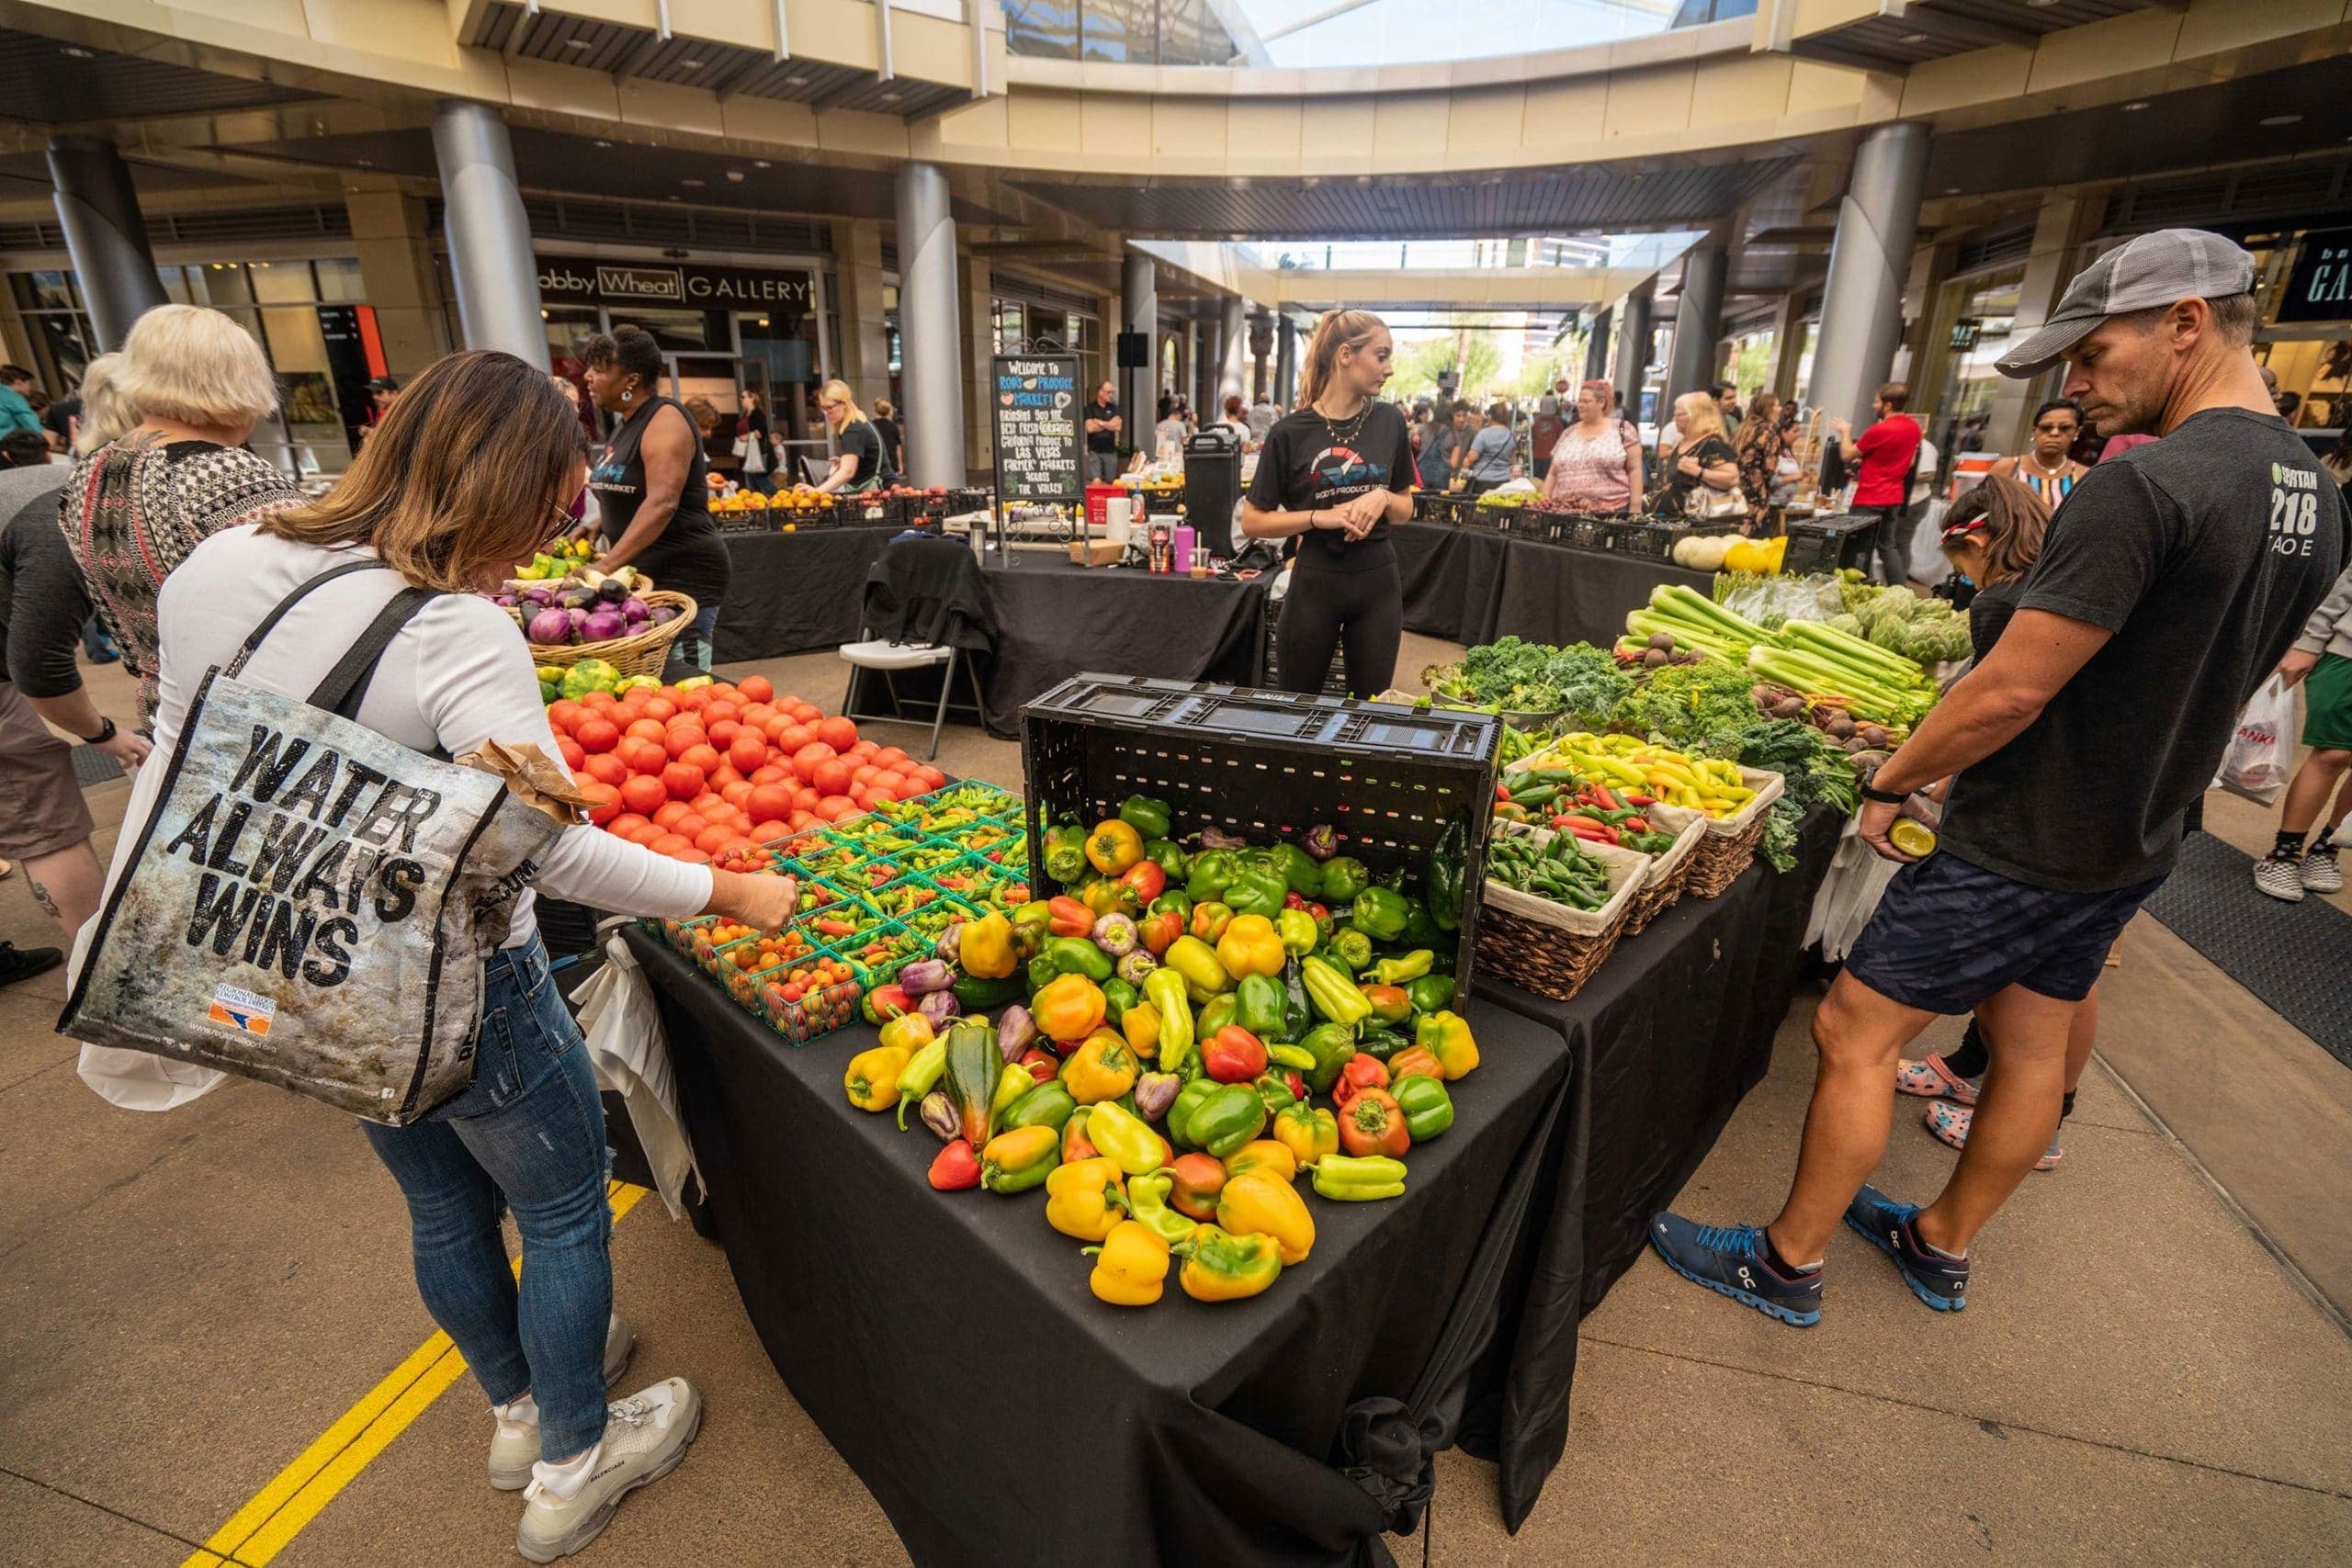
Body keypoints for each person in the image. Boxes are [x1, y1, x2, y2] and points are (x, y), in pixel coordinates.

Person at [106, 348, 797, 1562]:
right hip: (465, 976)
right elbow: (552, 856)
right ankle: (579, 1462)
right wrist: (731, 887)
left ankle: (521, 1413)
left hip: (307, 965)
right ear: (496, 491)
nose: (539, 548)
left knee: (439, 1202)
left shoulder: (221, 563)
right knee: (568, 1207)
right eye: (541, 514)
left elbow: (179, 749)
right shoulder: (455, 630)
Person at [1650, 228, 2345, 1326]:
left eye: (2091, 350)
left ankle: (1784, 1264)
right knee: (2032, 1043)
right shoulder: (2312, 490)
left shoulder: (2146, 486)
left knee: (1851, 1032)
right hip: (2141, 831)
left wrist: (1890, 781)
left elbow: (2009, 692)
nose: (2074, 380)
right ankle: (1940, 1245)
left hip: (2023, 829)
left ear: (2186, 323)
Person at [1894, 477, 2085, 1173]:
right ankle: (1976, 1072)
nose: (1959, 580)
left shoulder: (2006, 600)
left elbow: (2006, 706)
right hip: (2113, 819)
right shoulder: (2055, 585)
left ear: (1972, 538)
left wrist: (1911, 783)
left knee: (1858, 1025)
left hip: (2047, 827)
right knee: (2060, 981)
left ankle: (2039, 1126)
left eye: (1958, 564)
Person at [59, 304, 307, 727]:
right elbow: (320, 592)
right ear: (240, 379)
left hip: (167, 705)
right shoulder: (227, 473)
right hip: (260, 715)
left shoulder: (93, 471)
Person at [0, 450, 151, 987]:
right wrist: (104, 735)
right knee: (39, 810)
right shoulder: (63, 525)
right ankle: (116, 982)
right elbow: (41, 671)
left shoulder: (78, 493)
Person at [1240, 309, 1415, 700]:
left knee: (1373, 714)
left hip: (1378, 585)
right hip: (1314, 583)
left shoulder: (1390, 422)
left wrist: (1383, 496)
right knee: (1295, 710)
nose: (1388, 369)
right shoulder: (1289, 433)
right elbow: (1253, 521)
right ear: (1346, 355)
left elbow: (1405, 509)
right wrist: (1320, 518)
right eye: (1381, 356)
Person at [581, 326, 731, 676]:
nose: (589, 376)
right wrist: (598, 523)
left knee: (687, 682)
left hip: (683, 575)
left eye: (601, 369)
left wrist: (605, 566)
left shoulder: (665, 420)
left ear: (630, 380)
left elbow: (662, 502)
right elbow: (632, 490)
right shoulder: (627, 423)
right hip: (649, 575)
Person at [2256, 558, 2352, 901]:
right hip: (2347, 656)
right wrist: (2309, 643)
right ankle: (2284, 853)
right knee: (2333, 753)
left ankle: (2327, 847)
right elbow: (2343, 586)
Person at [1829, 381, 1923, 585]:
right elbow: (1910, 462)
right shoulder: (1914, 428)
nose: (1874, 406)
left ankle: (1862, 587)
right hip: (1894, 496)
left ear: (1887, 405)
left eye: (1876, 402)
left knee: (1859, 546)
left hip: (1871, 495)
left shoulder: (1879, 430)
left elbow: (1846, 454)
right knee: (1887, 546)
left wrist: (1845, 432)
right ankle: (1899, 589)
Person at [1542, 378, 1644, 514]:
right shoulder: (1568, 433)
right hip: (1564, 513)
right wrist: (1543, 503)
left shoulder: (1623, 430)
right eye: (1579, 401)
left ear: (1601, 403)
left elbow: (1634, 470)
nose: (1580, 405)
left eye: (1586, 401)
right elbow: (1552, 473)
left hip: (1611, 513)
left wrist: (1635, 507)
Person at [1990, 399, 2090, 509]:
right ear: (2034, 431)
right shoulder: (2007, 467)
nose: (2054, 433)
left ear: (2077, 432)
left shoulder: (2084, 475)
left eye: (2065, 428)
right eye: (2046, 427)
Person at [1651, 390, 1738, 516]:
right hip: (1668, 520)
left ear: (1696, 416)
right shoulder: (1683, 441)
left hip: (1692, 523)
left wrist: (1698, 471)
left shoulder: (1712, 444)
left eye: (1680, 415)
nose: (1675, 419)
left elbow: (1732, 478)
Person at [809, 378, 893, 496]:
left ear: (843, 403)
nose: (826, 413)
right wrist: (845, 460)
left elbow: (848, 472)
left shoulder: (853, 430)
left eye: (829, 407)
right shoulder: (860, 420)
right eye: (823, 408)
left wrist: (816, 492)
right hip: (883, 489)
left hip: (874, 495)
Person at [1732, 390, 1785, 514]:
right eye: (1777, 405)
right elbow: (1769, 467)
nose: (1780, 408)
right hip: (1755, 493)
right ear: (1768, 409)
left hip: (1735, 489)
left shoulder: (1742, 429)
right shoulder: (1769, 432)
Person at [1455, 401, 1517, 495]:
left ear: (1491, 416)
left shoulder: (1484, 434)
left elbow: (1473, 457)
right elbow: (1512, 460)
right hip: (1504, 479)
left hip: (1483, 479)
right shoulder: (1511, 435)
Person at [733, 388, 774, 495]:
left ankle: (778, 499)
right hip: (749, 452)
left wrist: (746, 436)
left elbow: (760, 433)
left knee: (760, 480)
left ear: (752, 399)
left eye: (743, 397)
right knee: (751, 483)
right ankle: (757, 506)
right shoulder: (746, 415)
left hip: (757, 452)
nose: (741, 400)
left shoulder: (758, 414)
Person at [1083, 379, 1123, 484]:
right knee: (1096, 480)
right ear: (1100, 392)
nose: (1111, 395)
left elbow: (1118, 427)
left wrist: (1100, 423)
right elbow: (1090, 428)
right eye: (1108, 392)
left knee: (1111, 481)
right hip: (1095, 451)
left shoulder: (1114, 407)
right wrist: (1109, 424)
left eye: (1112, 392)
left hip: (1110, 451)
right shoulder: (1090, 408)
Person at [0, 365, 42, 439]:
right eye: (29, 384)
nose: (31, 388)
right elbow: (33, 427)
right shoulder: (14, 398)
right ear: (18, 382)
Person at [356, 375, 400, 446]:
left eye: (379, 392)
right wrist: (371, 432)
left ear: (393, 393)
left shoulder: (403, 412)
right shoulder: (389, 412)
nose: (374, 397)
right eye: (373, 393)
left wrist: (372, 435)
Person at [871, 398, 905, 478]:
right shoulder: (892, 426)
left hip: (876, 464)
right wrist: (900, 464)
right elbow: (898, 447)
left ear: (876, 410)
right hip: (891, 463)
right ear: (889, 411)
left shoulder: (871, 426)